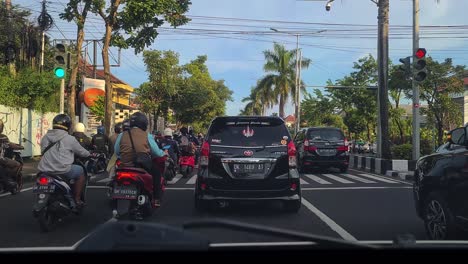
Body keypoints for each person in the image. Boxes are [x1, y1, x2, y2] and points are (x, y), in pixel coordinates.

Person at [114, 112, 167, 207]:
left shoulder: (122, 135)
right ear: (143, 124)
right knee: (157, 173)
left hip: (125, 165)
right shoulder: (147, 135)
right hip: (142, 164)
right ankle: (156, 198)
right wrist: (164, 153)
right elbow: (156, 152)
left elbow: (117, 151)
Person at [37, 114, 91, 207]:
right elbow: (82, 152)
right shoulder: (69, 139)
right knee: (81, 172)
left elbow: (43, 151)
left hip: (45, 170)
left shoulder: (45, 137)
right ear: (68, 126)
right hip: (63, 170)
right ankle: (77, 199)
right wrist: (90, 154)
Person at [0, 120, 22, 191]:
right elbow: (11, 145)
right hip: (1, 159)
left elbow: (8, 143)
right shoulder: (2, 137)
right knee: (18, 164)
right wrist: (20, 147)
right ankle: (8, 179)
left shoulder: (3, 138)